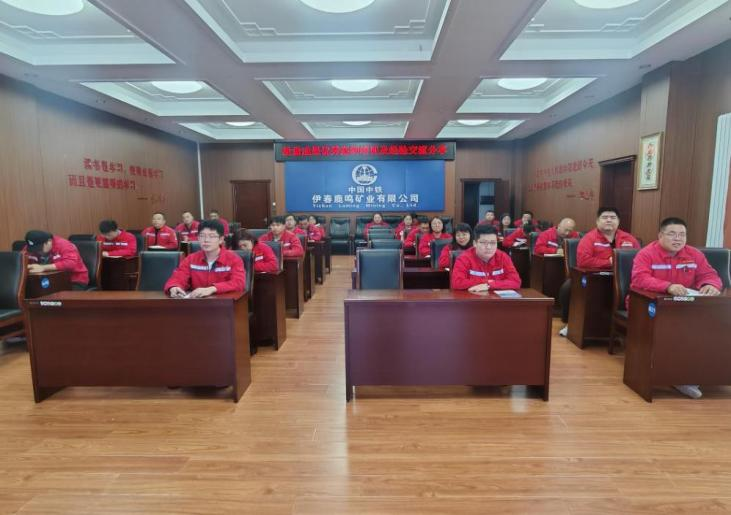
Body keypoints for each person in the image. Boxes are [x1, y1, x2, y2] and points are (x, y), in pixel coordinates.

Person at [629, 217, 722, 400]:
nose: (678, 239)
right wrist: (668, 286)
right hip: (648, 304)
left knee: (714, 325)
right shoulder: (646, 254)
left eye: (682, 235)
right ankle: (680, 377)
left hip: (685, 306)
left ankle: (705, 372)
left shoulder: (694, 254)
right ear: (660, 235)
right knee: (681, 328)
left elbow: (710, 275)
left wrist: (710, 284)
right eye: (672, 234)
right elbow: (640, 279)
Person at [165, 220, 245, 298]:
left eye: (212, 236)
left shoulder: (234, 259)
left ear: (221, 239)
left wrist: (213, 289)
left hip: (224, 304)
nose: (206, 240)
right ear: (198, 238)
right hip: (198, 304)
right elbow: (178, 277)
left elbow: (239, 283)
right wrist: (174, 287)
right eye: (202, 236)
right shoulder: (191, 259)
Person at [451, 225, 521, 291]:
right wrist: (487, 282)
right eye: (484, 242)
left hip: (497, 299)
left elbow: (516, 282)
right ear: (475, 243)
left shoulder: (503, 257)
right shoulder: (463, 258)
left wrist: (490, 285)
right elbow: (457, 283)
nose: (489, 247)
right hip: (472, 298)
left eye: (493, 243)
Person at [23, 230, 89, 289]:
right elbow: (20, 259)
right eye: (34, 249)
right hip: (49, 280)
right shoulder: (29, 248)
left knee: (58, 297)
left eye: (39, 248)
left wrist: (43, 267)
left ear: (49, 241)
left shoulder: (64, 245)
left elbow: (70, 263)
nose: (37, 252)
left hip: (74, 280)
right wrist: (25, 266)